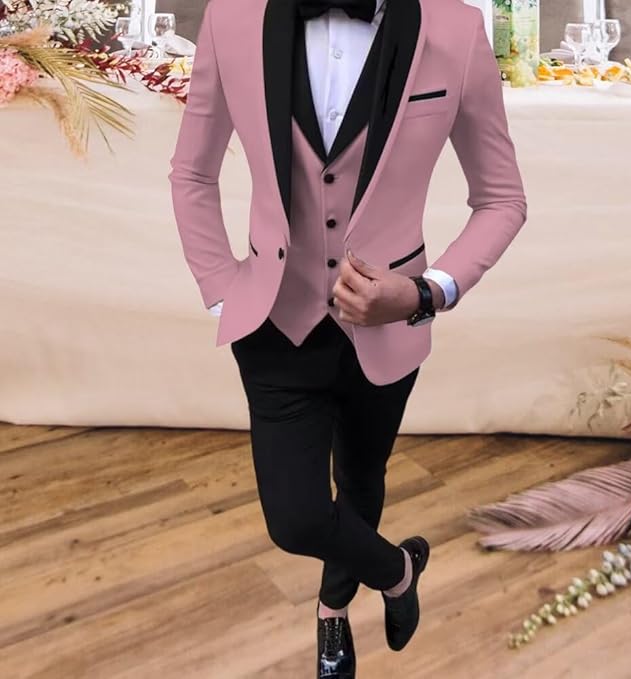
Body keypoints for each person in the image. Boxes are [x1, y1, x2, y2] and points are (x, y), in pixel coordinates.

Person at [168, 0, 527, 676]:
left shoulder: (455, 28)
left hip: (389, 330)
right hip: (274, 322)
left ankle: (331, 613)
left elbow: (502, 198)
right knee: (296, 519)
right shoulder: (232, 17)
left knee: (361, 478)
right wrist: (221, 285)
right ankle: (397, 571)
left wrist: (424, 292)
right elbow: (191, 172)